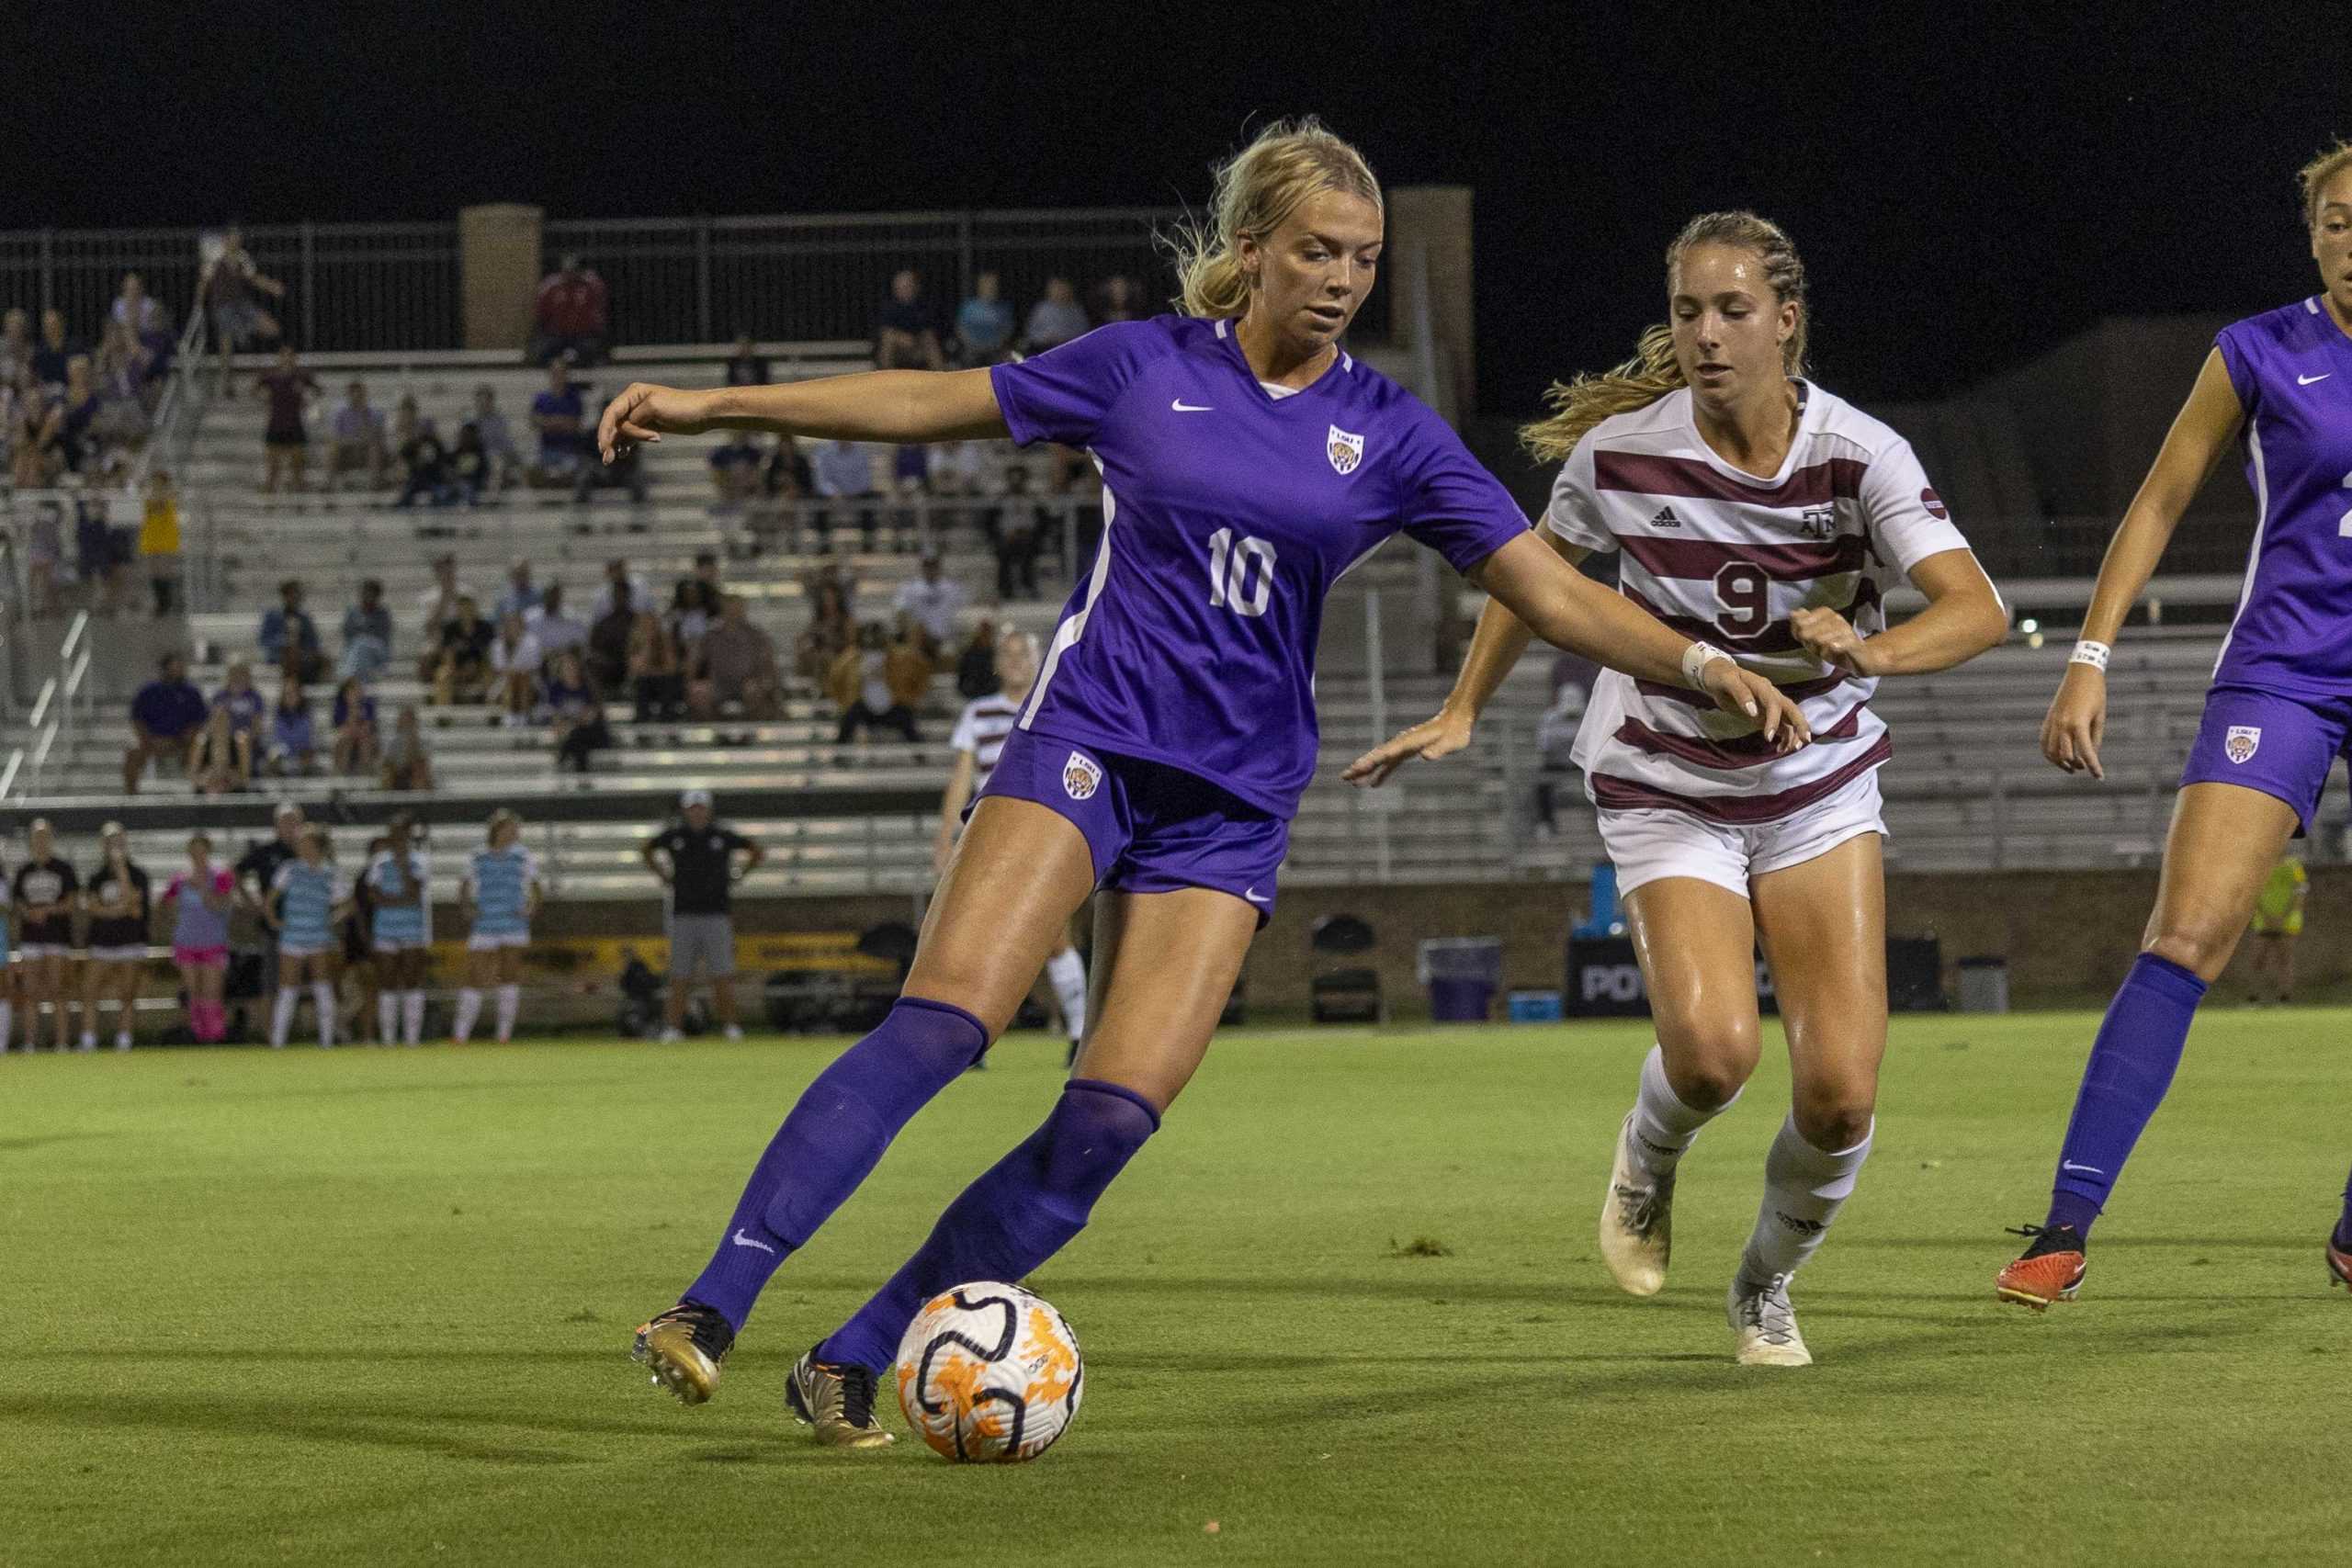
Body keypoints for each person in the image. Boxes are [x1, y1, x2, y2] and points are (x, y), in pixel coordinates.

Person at [598, 118, 1804, 1435]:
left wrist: (1698, 658)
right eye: (1316, 252)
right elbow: (926, 402)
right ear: (1251, 253)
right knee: (945, 1023)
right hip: (1092, 740)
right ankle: (710, 1298)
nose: (1343, 277)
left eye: (1364, 256)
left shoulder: (1390, 432)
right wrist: (718, 403)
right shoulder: (1143, 366)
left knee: (1113, 1115)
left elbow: (1550, 593)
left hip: (1230, 803)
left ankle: (856, 1350)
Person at [1352, 209, 2006, 1366]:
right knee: (1712, 1056)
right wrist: (1462, 710)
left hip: (1814, 780)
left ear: (1786, 323)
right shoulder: (1622, 455)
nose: (1705, 334)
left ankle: (1764, 1283)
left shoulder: (1860, 454)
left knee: (1842, 1096)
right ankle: (1645, 1165)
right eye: (1686, 311)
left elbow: (1975, 608)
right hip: (1668, 774)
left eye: (1732, 310)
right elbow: (1529, 581)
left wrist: (1870, 651)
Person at [1997, 141, 2352, 1312]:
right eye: (2338, 221)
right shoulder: (2258, 351)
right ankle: (2065, 1226)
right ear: (2311, 233)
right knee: (2189, 931)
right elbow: (2158, 497)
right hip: (2284, 672)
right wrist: (2087, 657)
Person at [934, 629, 1091, 1065]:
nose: (1017, 661)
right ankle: (968, 1037)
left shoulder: (1058, 707)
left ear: (1040, 659)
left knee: (1054, 938)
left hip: (1044, 836)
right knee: (971, 934)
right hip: (988, 837)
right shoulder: (978, 713)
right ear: (997, 665)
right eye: (1008, 654)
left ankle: (1080, 1034)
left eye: (1024, 653)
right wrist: (946, 837)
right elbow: (962, 777)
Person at [641, 792, 762, 1044]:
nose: (697, 813)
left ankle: (730, 1025)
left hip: (716, 913)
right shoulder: (676, 836)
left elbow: (755, 850)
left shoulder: (722, 835)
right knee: (680, 974)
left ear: (708, 810)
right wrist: (663, 875)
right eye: (692, 808)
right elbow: (647, 848)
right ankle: (673, 1028)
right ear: (686, 811)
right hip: (684, 914)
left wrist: (739, 875)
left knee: (722, 973)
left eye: (701, 808)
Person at [452, 810, 542, 1044]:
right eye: (510, 829)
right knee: (475, 974)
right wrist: (467, 909)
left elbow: (535, 887)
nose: (515, 833)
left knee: (509, 975)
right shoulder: (477, 856)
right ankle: (460, 1033)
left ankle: (504, 1034)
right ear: (497, 830)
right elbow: (464, 885)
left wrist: (531, 908)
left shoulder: (523, 856)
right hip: (486, 922)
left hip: (513, 922)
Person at [266, 826, 346, 1049]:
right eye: (301, 844)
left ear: (319, 847)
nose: (303, 848)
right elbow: (270, 900)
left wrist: (332, 919)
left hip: (318, 937)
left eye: (308, 844)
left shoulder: (331, 873)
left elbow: (346, 904)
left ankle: (326, 1040)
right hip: (292, 936)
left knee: (322, 985)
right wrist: (274, 921)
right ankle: (278, 1040)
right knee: (287, 987)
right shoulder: (289, 870)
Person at [81, 824, 151, 1052]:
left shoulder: (138, 875)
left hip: (130, 941)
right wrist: (120, 909)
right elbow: (93, 908)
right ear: (103, 845)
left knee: (128, 993)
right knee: (90, 991)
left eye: (119, 841)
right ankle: (88, 1040)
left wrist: (122, 872)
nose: (115, 846)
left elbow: (137, 910)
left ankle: (124, 1040)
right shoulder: (96, 877)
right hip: (101, 941)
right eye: (110, 842)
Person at [161, 835, 236, 1044]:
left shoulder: (221, 876)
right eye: (194, 851)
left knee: (211, 991)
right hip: (186, 942)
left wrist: (205, 891)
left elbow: (223, 905)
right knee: (193, 992)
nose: (198, 856)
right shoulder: (180, 880)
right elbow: (165, 906)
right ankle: (196, 1033)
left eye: (202, 851)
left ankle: (215, 1034)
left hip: (213, 941)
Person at [236, 802, 306, 1028]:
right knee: (271, 980)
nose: (290, 827)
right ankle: (271, 1032)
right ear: (276, 825)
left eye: (294, 822)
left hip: (306, 926)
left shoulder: (308, 852)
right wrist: (252, 903)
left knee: (306, 981)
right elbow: (235, 873)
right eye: (285, 822)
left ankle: (297, 1029)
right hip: (274, 926)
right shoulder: (266, 852)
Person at [14, 820, 81, 1052]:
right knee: (30, 991)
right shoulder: (24, 870)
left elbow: (72, 903)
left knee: (58, 989)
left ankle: (61, 1042)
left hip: (56, 937)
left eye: (45, 836)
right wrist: (28, 913)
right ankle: (30, 1042)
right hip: (31, 937)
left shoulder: (63, 869)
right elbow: (19, 902)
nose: (40, 841)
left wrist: (47, 911)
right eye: (36, 837)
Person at [367, 813, 433, 1047]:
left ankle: (412, 1038)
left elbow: (414, 893)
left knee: (412, 980)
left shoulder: (419, 861)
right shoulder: (379, 861)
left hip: (412, 929)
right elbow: (373, 895)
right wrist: (397, 899)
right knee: (387, 981)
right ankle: (388, 1038)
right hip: (386, 928)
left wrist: (403, 868)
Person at [687, 595, 782, 721]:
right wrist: (692, 681)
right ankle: (717, 731)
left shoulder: (756, 635)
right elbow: (695, 662)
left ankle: (748, 732)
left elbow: (769, 662)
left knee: (755, 690)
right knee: (700, 692)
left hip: (748, 682)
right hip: (718, 683)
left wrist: (768, 681)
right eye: (730, 608)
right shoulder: (710, 635)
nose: (734, 612)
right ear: (723, 610)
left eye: (738, 608)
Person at [124, 655, 207, 795]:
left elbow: (198, 721)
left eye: (181, 667)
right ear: (165, 669)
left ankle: (197, 793)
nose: (180, 670)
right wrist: (149, 740)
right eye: (176, 667)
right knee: (133, 751)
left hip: (182, 743)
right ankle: (131, 797)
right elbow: (137, 719)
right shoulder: (148, 691)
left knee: (200, 747)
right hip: (151, 742)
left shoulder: (191, 692)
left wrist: (181, 740)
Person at [827, 621, 922, 742]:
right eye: (870, 635)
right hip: (864, 709)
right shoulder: (850, 658)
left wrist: (912, 697)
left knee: (906, 717)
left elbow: (921, 671)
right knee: (850, 715)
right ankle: (838, 754)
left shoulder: (900, 656)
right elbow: (835, 679)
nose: (873, 639)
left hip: (892, 707)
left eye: (877, 635)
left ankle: (920, 757)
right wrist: (844, 701)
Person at [2246, 853, 2307, 1005]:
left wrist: (2284, 916)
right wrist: (2265, 915)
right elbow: (2253, 892)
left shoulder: (2295, 866)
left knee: (2285, 959)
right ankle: (2254, 998)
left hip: (2287, 922)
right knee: (2258, 959)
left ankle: (2284, 997)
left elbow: (2300, 892)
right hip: (2263, 921)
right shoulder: (2260, 864)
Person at [257, 345, 318, 493]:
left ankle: (299, 505)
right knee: (273, 470)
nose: (287, 359)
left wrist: (306, 397)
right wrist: (264, 396)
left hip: (295, 426)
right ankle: (269, 506)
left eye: (290, 355)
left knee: (298, 470)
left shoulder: (302, 376)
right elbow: (255, 390)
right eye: (284, 355)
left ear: (295, 358)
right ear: (279, 358)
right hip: (276, 425)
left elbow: (318, 390)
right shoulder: (270, 377)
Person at [531, 254, 608, 367]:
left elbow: (599, 313)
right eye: (568, 271)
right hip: (558, 336)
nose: (571, 275)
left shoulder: (591, 285)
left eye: (574, 271)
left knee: (587, 352)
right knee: (546, 352)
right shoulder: (551, 286)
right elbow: (541, 315)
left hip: (583, 336)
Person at [546, 649, 611, 773]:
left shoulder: (589, 686)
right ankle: (582, 777)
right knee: (578, 742)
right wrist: (566, 725)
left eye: (572, 666)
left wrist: (570, 724)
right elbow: (556, 718)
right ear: (560, 670)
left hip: (593, 732)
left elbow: (589, 718)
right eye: (566, 667)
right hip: (574, 735)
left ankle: (563, 757)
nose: (570, 670)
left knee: (578, 735)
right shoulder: (556, 688)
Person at [528, 361, 590, 488]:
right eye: (555, 373)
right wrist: (560, 422)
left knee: (573, 469)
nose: (558, 376)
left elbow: (575, 424)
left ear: (566, 375)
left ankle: (556, 482)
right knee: (531, 469)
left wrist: (549, 422)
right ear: (550, 375)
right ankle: (552, 483)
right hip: (547, 451)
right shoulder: (541, 398)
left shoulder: (574, 398)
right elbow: (535, 421)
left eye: (561, 373)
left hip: (569, 450)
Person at [892, 551, 965, 659]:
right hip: (920, 639)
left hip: (944, 638)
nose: (931, 570)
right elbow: (900, 611)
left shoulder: (952, 588)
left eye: (933, 566)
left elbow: (963, 611)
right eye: (928, 566)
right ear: (922, 567)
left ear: (939, 567)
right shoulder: (910, 588)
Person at [431, 596, 495, 705]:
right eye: (463, 609)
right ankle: (443, 715)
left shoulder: (485, 627)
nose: (466, 612)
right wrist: (455, 669)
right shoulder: (450, 628)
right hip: (455, 667)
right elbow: (446, 652)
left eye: (469, 608)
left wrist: (476, 667)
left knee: (490, 676)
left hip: (480, 667)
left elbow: (489, 652)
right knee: (442, 675)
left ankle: (492, 713)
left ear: (475, 609)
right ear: (457, 611)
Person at [876, 269, 944, 371]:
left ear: (916, 287)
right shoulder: (887, 308)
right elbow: (883, 332)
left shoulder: (926, 307)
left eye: (906, 287)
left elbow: (932, 330)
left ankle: (940, 379)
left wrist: (915, 340)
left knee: (929, 340)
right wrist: (900, 337)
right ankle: (886, 377)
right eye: (899, 287)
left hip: (920, 348)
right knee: (888, 339)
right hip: (898, 349)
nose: (903, 290)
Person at [259, 580, 326, 682]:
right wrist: (285, 642)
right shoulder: (272, 616)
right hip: (279, 655)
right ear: (284, 596)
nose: (294, 598)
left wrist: (303, 649)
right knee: (292, 655)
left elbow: (313, 642)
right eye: (291, 594)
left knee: (321, 660)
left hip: (301, 656)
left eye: (297, 594)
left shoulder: (305, 619)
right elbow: (264, 640)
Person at [327, 381, 388, 491]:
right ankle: (328, 485)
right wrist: (353, 441)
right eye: (353, 394)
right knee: (333, 448)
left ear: (364, 395)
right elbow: (336, 437)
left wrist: (364, 417)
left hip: (365, 451)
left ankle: (375, 486)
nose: (356, 397)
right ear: (348, 395)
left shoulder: (373, 413)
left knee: (374, 448)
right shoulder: (341, 413)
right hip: (347, 451)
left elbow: (377, 436)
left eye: (359, 394)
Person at [140, 468, 183, 616]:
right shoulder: (148, 496)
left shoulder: (169, 495)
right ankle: (159, 603)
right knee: (154, 572)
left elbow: (162, 504)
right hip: (151, 538)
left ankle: (167, 603)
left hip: (166, 538)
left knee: (165, 571)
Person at [491, 613, 544, 727]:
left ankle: (523, 716)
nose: (513, 628)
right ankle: (509, 714)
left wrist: (516, 672)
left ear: (522, 626)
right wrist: (514, 672)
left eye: (515, 625)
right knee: (511, 680)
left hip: (529, 681)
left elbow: (535, 665)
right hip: (505, 682)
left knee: (522, 679)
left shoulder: (532, 642)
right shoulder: (497, 644)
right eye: (510, 625)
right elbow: (498, 668)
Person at [955, 271, 1015, 365]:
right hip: (971, 349)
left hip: (995, 351)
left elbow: (1007, 331)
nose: (990, 287)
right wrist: (973, 345)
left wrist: (993, 346)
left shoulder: (1004, 308)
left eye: (993, 284)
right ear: (979, 286)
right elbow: (960, 329)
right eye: (986, 284)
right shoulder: (968, 306)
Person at [340, 580, 393, 682]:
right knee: (360, 648)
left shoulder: (383, 614)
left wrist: (365, 636)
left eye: (372, 595)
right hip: (356, 650)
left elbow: (383, 638)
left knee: (362, 645)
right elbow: (348, 635)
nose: (368, 598)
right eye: (366, 594)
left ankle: (349, 676)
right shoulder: (352, 612)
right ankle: (362, 680)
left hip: (378, 650)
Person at [1022, 276, 1090, 353]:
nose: (1058, 291)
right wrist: (1045, 338)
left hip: (1069, 347)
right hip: (1044, 348)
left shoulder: (1076, 309)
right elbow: (1031, 332)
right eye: (1054, 288)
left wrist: (1064, 338)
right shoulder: (1041, 308)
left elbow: (1083, 331)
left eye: (1061, 288)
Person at [268, 676, 319, 775]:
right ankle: (278, 782)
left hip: (302, 749)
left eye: (293, 693)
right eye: (288, 694)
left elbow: (306, 736)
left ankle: (305, 784)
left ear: (299, 695)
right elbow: (277, 737)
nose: (291, 697)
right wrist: (286, 749)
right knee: (273, 755)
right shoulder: (278, 714)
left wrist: (297, 748)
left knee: (308, 754)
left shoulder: (306, 714)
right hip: (284, 749)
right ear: (283, 696)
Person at [333, 675, 381, 776]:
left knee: (365, 740)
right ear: (346, 692)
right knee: (345, 740)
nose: (358, 692)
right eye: (354, 689)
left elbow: (368, 726)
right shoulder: (340, 707)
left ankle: (366, 775)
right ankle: (341, 775)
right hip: (347, 736)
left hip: (363, 735)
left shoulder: (368, 704)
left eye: (358, 689)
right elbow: (341, 727)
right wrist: (352, 709)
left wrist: (357, 729)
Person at [380, 705, 435, 792]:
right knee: (387, 775)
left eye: (409, 722)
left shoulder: (423, 742)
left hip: (414, 773)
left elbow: (423, 762)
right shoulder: (392, 743)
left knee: (420, 772)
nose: (407, 725)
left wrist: (412, 745)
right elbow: (388, 763)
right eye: (404, 721)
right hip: (397, 774)